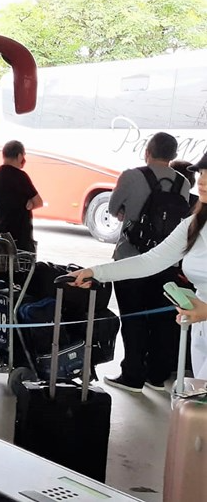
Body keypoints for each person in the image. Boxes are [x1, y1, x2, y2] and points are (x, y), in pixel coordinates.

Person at [70, 153, 207, 379]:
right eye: (201, 173)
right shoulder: (195, 223)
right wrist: (96, 273)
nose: (201, 180)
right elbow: (150, 260)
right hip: (200, 331)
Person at [103, 132, 191, 393]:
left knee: (133, 317)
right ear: (173, 155)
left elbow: (112, 207)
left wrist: (127, 212)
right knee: (161, 319)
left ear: (147, 152)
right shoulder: (183, 184)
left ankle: (132, 375)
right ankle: (156, 375)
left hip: (131, 257)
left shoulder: (131, 175)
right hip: (166, 261)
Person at [0, 140, 43, 252]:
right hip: (19, 238)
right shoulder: (21, 177)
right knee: (22, 268)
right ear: (19, 156)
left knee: (1, 268)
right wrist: (31, 203)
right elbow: (39, 202)